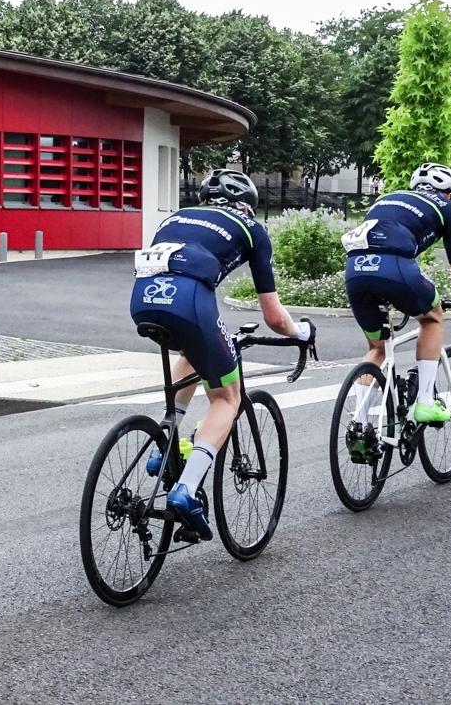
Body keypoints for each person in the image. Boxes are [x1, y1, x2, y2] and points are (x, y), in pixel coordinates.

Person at [131, 169, 314, 541]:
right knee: (227, 399)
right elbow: (274, 317)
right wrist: (302, 333)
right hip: (189, 303)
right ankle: (185, 490)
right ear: (247, 204)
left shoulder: (176, 216)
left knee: (192, 351)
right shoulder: (251, 229)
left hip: (143, 301)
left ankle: (166, 441)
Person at [342, 162, 451, 435]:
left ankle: (360, 425)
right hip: (395, 266)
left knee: (378, 348)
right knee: (431, 317)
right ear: (449, 192)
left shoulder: (386, 198)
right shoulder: (446, 208)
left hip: (355, 270)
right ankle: (424, 402)